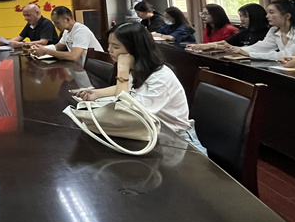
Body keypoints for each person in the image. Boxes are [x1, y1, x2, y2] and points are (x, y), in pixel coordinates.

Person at [77, 23, 205, 153]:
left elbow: (126, 113)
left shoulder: (160, 78)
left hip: (178, 141)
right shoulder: (140, 68)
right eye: (109, 44)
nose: (109, 50)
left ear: (135, 49)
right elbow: (130, 88)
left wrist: (122, 70)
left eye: (115, 46)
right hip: (149, 133)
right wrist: (97, 93)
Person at [222, 0, 295, 60]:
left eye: (271, 12)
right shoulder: (274, 30)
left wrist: (249, 54)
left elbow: (286, 55)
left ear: (287, 16)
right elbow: (261, 47)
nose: (267, 16)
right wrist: (237, 49)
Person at [27, 6, 103, 66]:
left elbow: (73, 56)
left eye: (57, 23)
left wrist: (46, 51)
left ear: (67, 19)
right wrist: (39, 48)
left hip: (94, 70)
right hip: (79, 68)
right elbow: (58, 47)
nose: (55, 25)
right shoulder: (66, 31)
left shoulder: (81, 31)